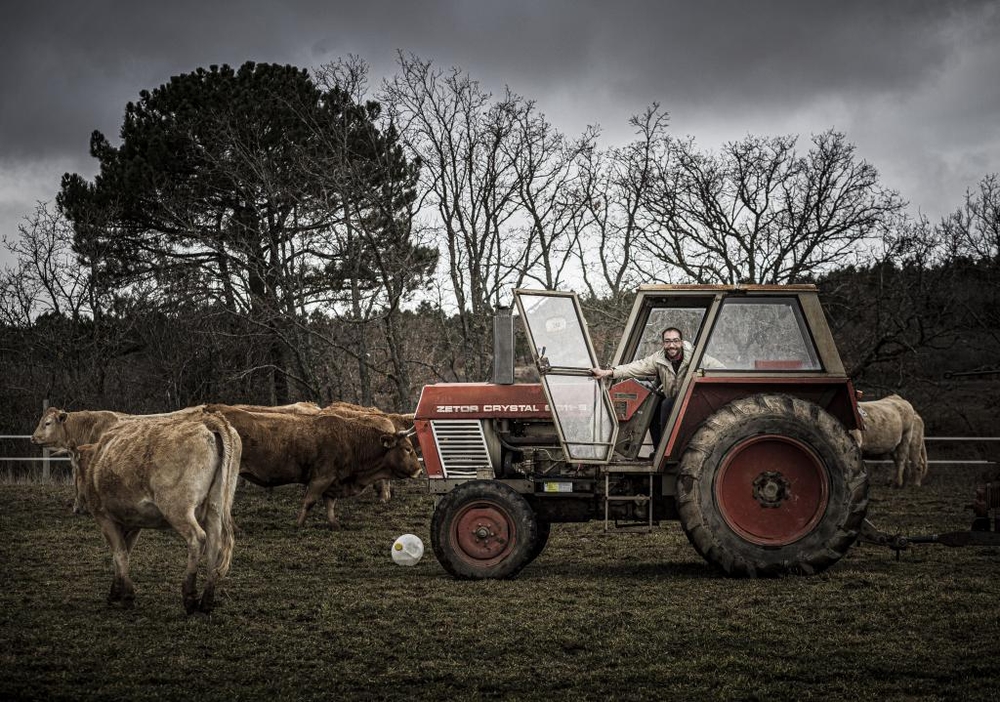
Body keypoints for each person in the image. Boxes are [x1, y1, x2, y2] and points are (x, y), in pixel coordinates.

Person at [590, 327, 722, 453]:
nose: (672, 345)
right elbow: (637, 366)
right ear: (663, 343)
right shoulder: (659, 359)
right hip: (675, 399)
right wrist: (608, 372)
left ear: (681, 342)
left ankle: (668, 452)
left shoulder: (695, 356)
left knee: (667, 404)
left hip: (694, 401)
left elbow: (719, 368)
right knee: (653, 406)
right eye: (668, 341)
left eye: (675, 341)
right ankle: (659, 449)